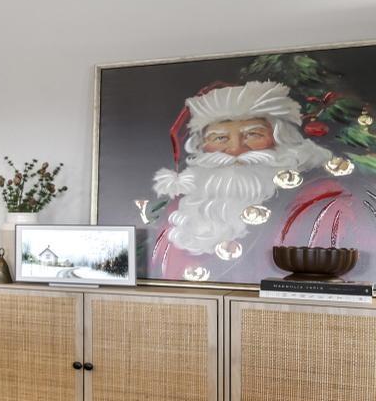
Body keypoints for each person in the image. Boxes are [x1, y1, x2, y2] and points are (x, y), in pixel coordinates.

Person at [145, 79, 375, 280]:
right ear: (201, 147)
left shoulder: (322, 198)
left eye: (252, 134)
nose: (235, 149)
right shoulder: (182, 208)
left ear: (280, 140)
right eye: (220, 137)